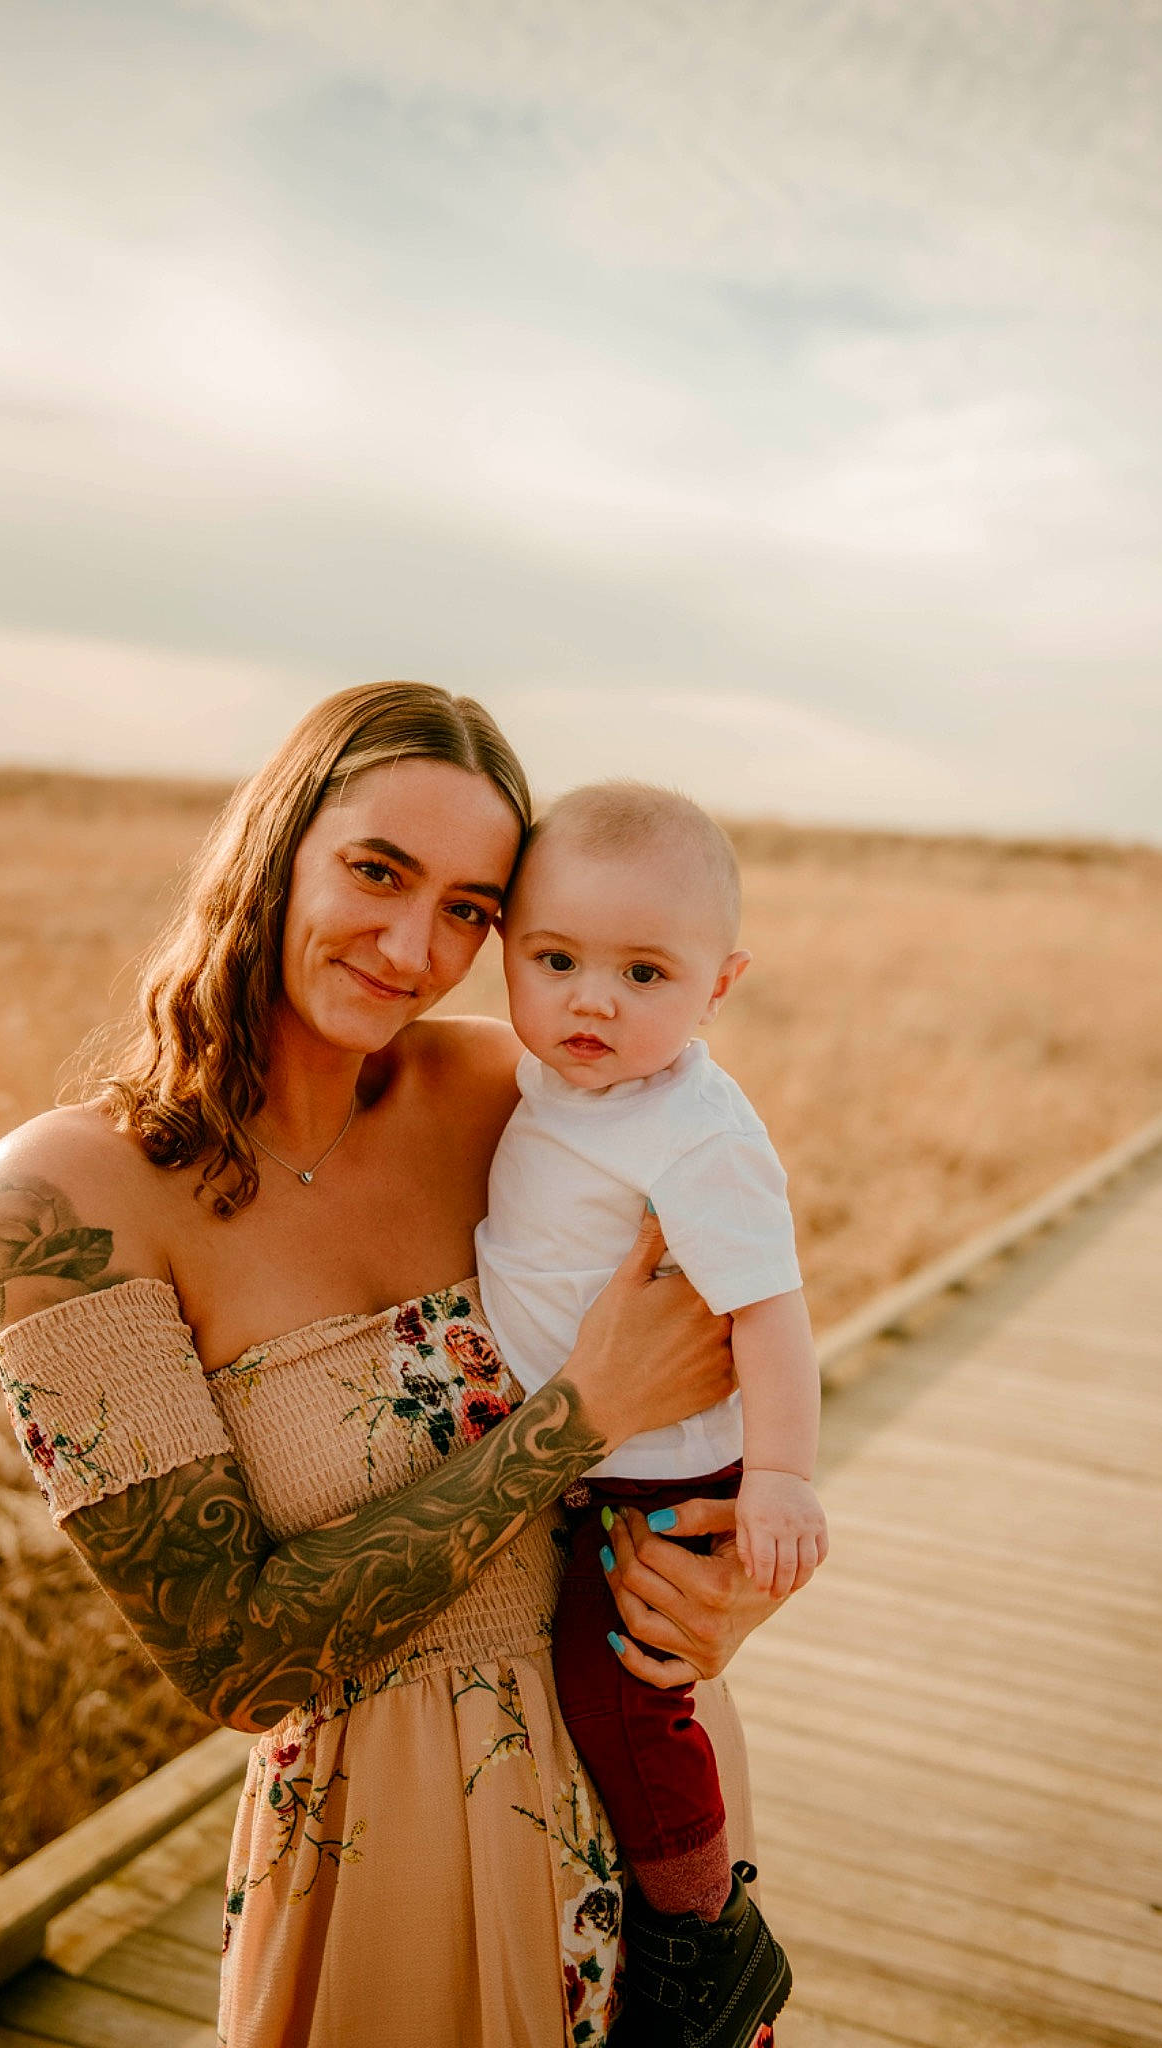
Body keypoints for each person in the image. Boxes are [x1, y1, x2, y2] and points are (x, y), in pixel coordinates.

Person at [0, 683, 787, 2048]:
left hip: (652, 1792)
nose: (415, 947)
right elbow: (230, 1661)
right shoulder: (70, 1198)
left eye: (470, 907)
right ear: (274, 845)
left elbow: (723, 1344)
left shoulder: (515, 1096)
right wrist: (570, 1421)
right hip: (384, 1844)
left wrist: (723, 1597)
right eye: (376, 871)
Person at [476, 781, 828, 2047]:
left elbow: (769, 1312)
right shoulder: (555, 1078)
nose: (590, 999)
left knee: (626, 1683)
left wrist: (781, 1476)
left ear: (717, 985)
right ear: (506, 945)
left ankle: (699, 1938)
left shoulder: (693, 1131)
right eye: (555, 957)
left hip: (656, 1478)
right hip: (590, 1455)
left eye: (642, 971)